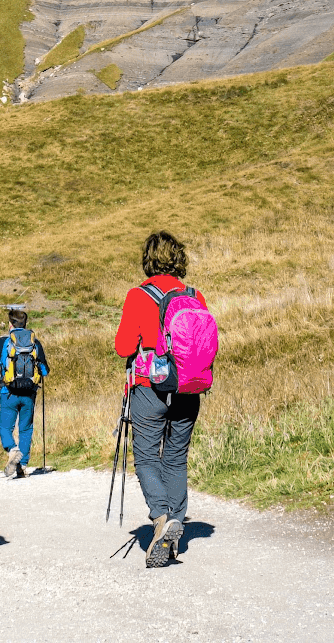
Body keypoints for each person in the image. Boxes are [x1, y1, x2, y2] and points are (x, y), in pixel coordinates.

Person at [114, 230, 206, 569]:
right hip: (188, 388)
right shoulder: (195, 296)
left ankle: (162, 517)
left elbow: (123, 346)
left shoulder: (138, 295)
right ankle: (175, 530)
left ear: (148, 259)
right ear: (178, 258)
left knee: (147, 457)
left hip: (148, 388)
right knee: (176, 459)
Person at [0, 306, 49, 477]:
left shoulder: (3, 342)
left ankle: (13, 450)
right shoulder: (35, 343)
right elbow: (45, 371)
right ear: (25, 324)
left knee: (4, 428)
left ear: (10, 324)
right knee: (25, 429)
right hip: (29, 393)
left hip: (8, 393)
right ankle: (23, 466)